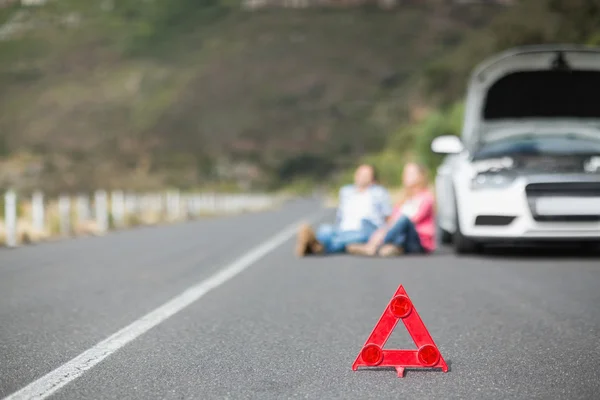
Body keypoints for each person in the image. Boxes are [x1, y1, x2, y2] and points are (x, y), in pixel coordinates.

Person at [295, 164, 393, 257]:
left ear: (372, 179)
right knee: (325, 229)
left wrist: (383, 234)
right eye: (359, 174)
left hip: (365, 227)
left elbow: (387, 216)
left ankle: (318, 246)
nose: (361, 177)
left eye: (365, 175)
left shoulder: (379, 192)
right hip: (344, 228)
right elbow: (340, 215)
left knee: (355, 237)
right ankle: (317, 244)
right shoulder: (346, 191)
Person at [346, 162, 435, 257]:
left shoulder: (426, 198)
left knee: (404, 219)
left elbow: (412, 220)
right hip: (399, 236)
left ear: (420, 176)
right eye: (405, 173)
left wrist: (384, 232)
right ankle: (391, 247)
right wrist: (382, 230)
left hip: (416, 241)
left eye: (410, 174)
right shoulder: (404, 199)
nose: (406, 176)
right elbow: (392, 220)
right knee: (366, 222)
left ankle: (373, 246)